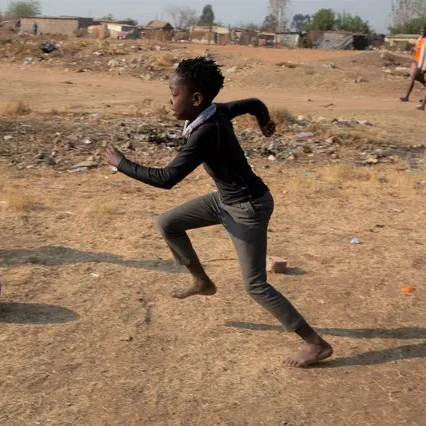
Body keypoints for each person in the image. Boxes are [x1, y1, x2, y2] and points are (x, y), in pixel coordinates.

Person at [103, 57, 333, 368]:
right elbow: (253, 102)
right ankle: (202, 282)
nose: (169, 99)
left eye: (173, 93)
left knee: (255, 285)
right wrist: (263, 121)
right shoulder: (216, 110)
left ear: (196, 99)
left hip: (248, 207)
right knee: (168, 223)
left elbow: (166, 179)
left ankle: (315, 343)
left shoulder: (206, 131)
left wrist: (122, 164)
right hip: (225, 200)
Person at [400, 26, 426, 102]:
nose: (422, 33)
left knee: (412, 79)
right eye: (421, 31)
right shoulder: (419, 38)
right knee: (421, 80)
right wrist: (413, 49)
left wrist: (425, 66)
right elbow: (417, 48)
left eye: (424, 31)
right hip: (416, 61)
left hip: (421, 63)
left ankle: (406, 96)